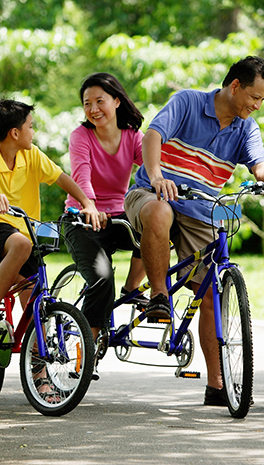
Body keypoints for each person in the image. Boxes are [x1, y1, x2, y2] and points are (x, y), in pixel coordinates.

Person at [123, 56, 264, 406]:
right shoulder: (188, 101)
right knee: (159, 210)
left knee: (212, 291)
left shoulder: (245, 127)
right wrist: (156, 177)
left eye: (263, 100)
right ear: (235, 86)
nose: (257, 106)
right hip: (151, 193)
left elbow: (259, 160)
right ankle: (159, 298)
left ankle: (217, 385)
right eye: (254, 97)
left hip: (201, 208)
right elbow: (153, 135)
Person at [0, 99, 104, 335]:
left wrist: (87, 203)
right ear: (15, 132)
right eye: (31, 126)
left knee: (35, 302)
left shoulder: (32, 156)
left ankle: (37, 365)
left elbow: (62, 179)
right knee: (21, 244)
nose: (34, 131)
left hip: (25, 231)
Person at [63, 73, 147, 348]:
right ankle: (88, 345)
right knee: (101, 278)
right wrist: (89, 205)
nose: (93, 109)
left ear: (117, 101)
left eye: (100, 101)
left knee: (159, 229)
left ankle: (132, 288)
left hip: (118, 217)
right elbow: (81, 174)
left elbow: (153, 166)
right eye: (87, 103)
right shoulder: (81, 136)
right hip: (82, 217)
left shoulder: (132, 136)